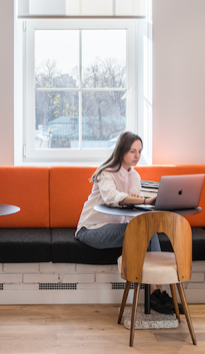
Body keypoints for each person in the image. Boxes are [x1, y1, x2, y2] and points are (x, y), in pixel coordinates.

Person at [75, 131, 181, 315]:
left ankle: (158, 293)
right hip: (90, 230)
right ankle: (157, 294)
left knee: (149, 230)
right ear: (122, 150)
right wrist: (143, 201)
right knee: (144, 231)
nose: (137, 156)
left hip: (116, 229)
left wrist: (142, 204)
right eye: (133, 151)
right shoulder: (106, 172)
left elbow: (133, 214)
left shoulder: (135, 176)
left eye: (140, 151)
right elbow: (111, 197)